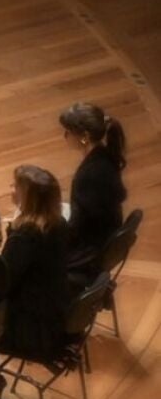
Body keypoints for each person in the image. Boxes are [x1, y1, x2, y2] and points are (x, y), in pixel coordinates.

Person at [0, 165, 72, 366]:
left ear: (27, 197)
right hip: (55, 315)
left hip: (30, 330)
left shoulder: (26, 235)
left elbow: (4, 281)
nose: (11, 188)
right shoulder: (59, 223)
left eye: (15, 186)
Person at [59, 101, 127, 286]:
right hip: (101, 238)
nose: (65, 136)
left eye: (68, 131)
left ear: (84, 137)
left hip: (88, 253)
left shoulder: (89, 175)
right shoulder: (107, 156)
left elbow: (77, 227)